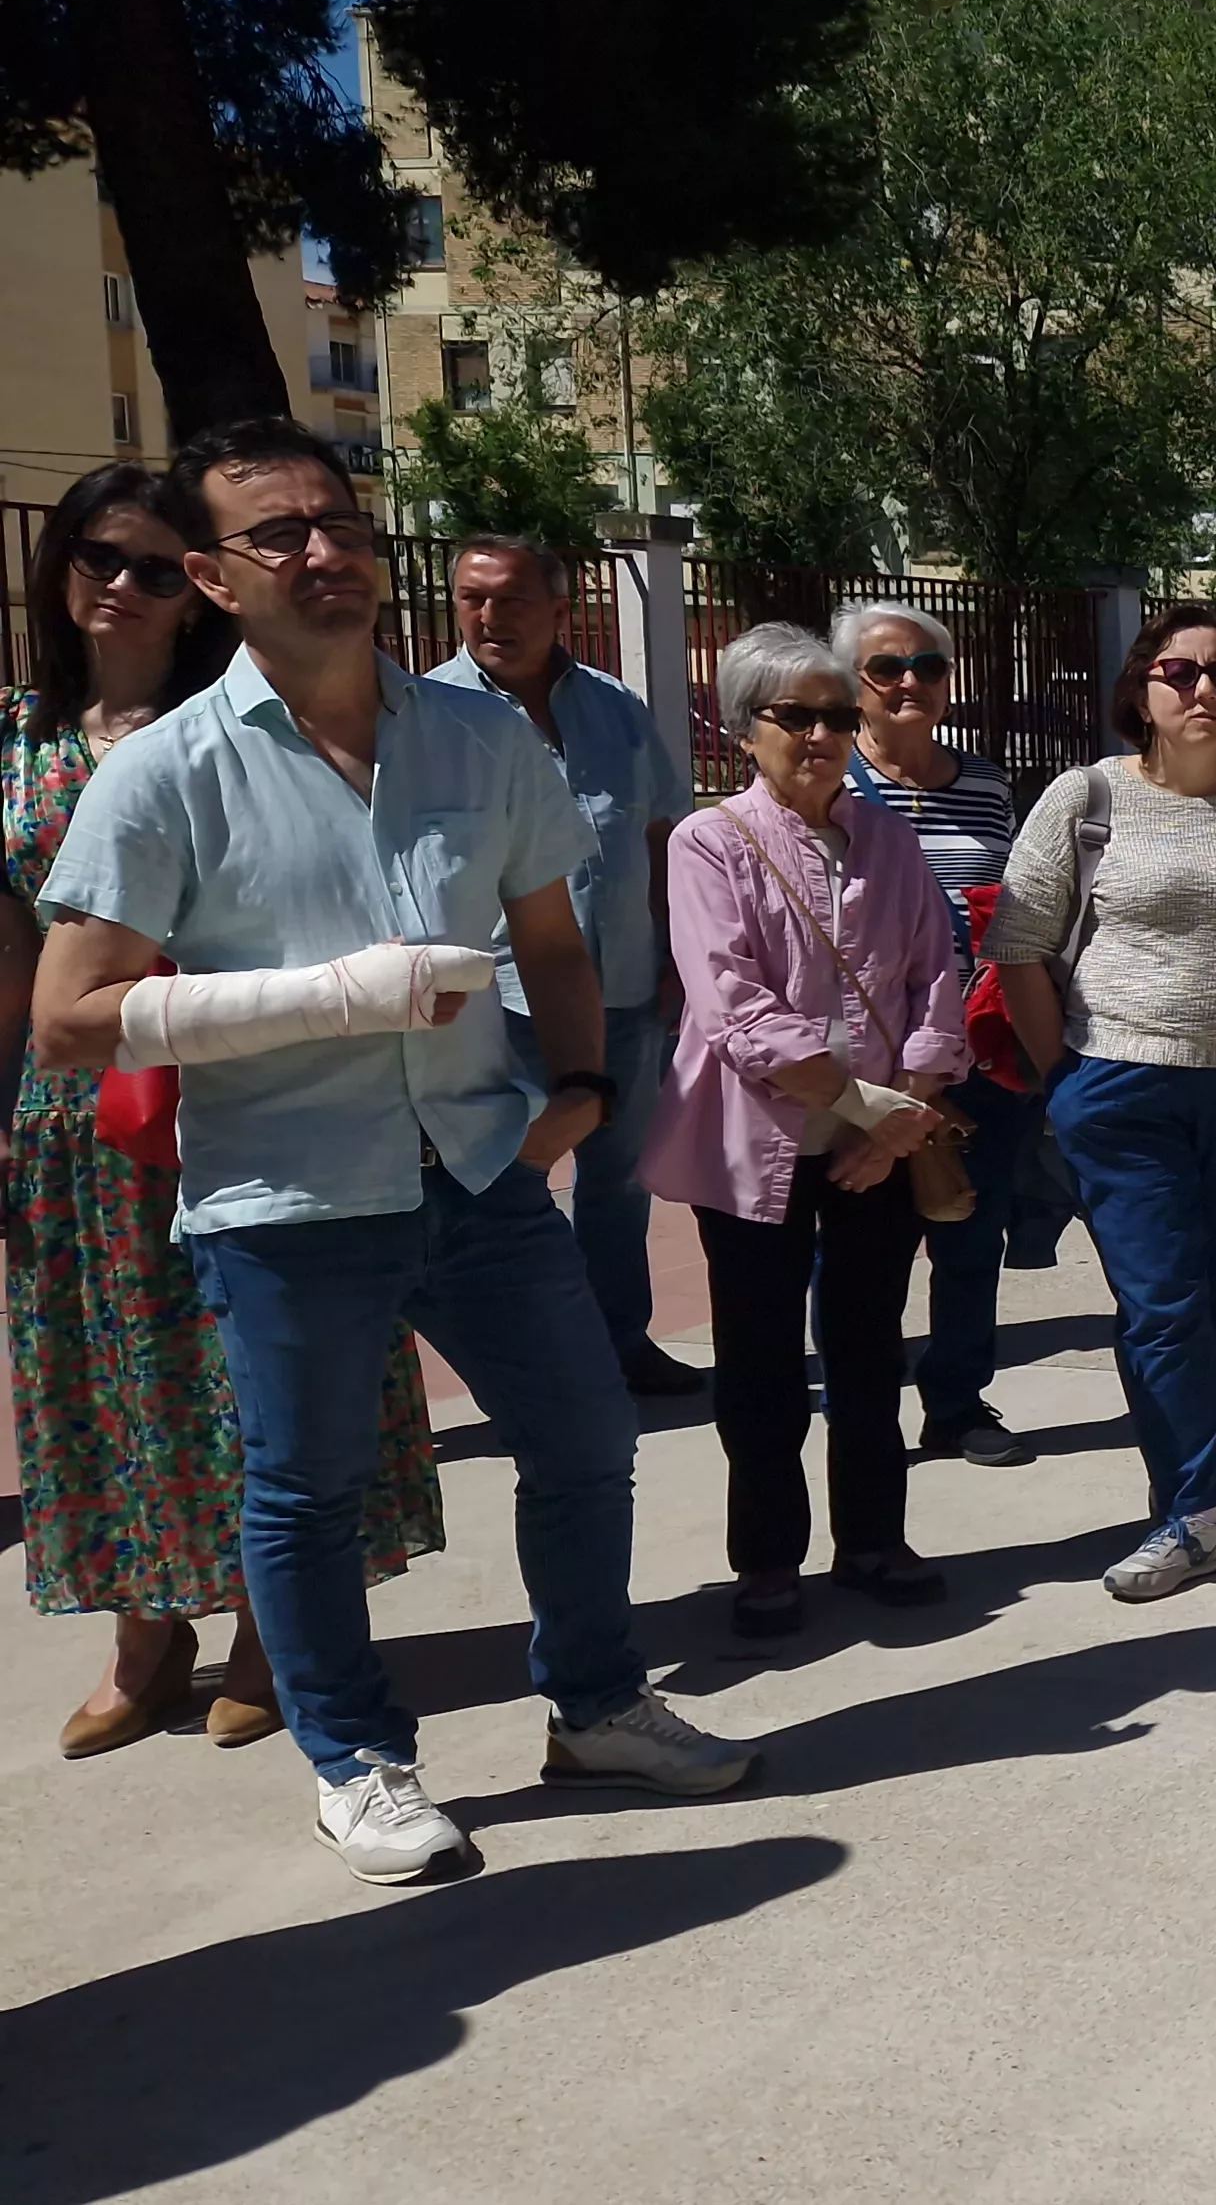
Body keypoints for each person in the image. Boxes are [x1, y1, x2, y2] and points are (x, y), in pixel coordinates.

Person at [30, 416, 755, 1884]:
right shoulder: (164, 772)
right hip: (289, 1195)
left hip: (479, 1173)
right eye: (279, 534)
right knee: (304, 1490)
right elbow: (69, 1020)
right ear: (215, 580)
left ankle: (597, 1703)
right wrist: (328, 997)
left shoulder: (481, 736)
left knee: (583, 1441)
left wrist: (575, 1086)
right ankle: (354, 1763)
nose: (323, 552)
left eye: (342, 524)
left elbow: (549, 935)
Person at [1, 460, 444, 1762]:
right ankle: (146, 1632)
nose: (123, 586)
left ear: (199, 588)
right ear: (61, 571)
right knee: (102, 1372)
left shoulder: (240, 724)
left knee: (254, 1363)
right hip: (77, 1115)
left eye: (153, 564)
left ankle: (270, 1623)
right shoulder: (22, 737)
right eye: (99, 558)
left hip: (240, 1089)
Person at [992, 607, 1216, 1601]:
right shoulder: (1085, 796)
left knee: (1211, 1308)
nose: (1203, 689)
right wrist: (1063, 1074)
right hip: (1120, 1087)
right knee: (1162, 1307)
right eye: (1178, 670)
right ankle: (1200, 1511)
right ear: (1140, 687)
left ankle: (1181, 1493)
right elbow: (1018, 946)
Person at [646, 623, 968, 1639]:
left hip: (878, 1142)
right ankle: (769, 1556)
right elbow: (733, 1005)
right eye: (797, 715)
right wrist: (868, 1106)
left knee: (871, 1345)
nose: (823, 733)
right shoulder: (709, 841)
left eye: (838, 713)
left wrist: (903, 1103)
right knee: (761, 1359)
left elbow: (935, 975)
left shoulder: (889, 837)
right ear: (746, 727)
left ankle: (874, 1536)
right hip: (755, 1141)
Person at [422, 535, 703, 1395]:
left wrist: (675, 960)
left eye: (509, 599)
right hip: (496, 1005)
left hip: (623, 990)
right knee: (501, 1184)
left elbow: (661, 839)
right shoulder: (429, 714)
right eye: (471, 598)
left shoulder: (615, 708)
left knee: (619, 1183)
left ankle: (617, 1342)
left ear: (559, 604)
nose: (488, 616)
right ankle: (520, 1363)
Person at [837, 599, 1039, 1466]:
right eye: (887, 667)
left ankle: (957, 1402)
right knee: (854, 1247)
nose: (910, 681)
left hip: (977, 1050)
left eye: (927, 665)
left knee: (968, 1226)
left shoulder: (988, 786)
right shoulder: (829, 786)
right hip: (865, 1060)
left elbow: (1016, 913)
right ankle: (862, 1401)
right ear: (854, 685)